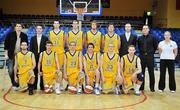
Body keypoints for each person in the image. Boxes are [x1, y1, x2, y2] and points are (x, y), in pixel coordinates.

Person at [4, 23, 28, 90]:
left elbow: (26, 45)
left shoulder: (24, 35)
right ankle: (14, 84)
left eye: (20, 26)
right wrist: (6, 54)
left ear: (21, 28)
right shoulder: (10, 35)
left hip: (20, 55)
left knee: (19, 70)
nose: (18, 27)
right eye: (17, 26)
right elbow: (6, 45)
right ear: (15, 27)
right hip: (11, 55)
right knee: (11, 70)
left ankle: (20, 83)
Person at [137, 25, 158, 92]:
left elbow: (155, 47)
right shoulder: (139, 38)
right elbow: (139, 47)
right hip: (142, 56)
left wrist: (150, 53)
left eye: (146, 28)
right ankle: (141, 87)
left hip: (150, 57)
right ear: (142, 30)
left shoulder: (153, 37)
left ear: (148, 30)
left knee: (151, 72)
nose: (145, 30)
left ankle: (152, 87)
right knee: (141, 72)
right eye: (144, 29)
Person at [30, 25, 49, 90]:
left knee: (42, 71)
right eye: (37, 28)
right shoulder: (32, 38)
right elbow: (31, 48)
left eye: (40, 28)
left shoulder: (45, 38)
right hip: (34, 56)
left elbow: (46, 48)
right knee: (34, 71)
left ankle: (42, 86)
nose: (39, 30)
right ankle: (34, 86)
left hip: (42, 56)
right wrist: (31, 57)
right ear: (36, 30)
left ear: (42, 30)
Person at [49, 21, 65, 90]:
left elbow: (64, 43)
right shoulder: (50, 32)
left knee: (60, 69)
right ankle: (53, 84)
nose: (56, 24)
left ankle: (60, 84)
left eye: (57, 23)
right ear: (53, 24)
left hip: (60, 53)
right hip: (53, 53)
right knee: (53, 69)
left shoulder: (63, 32)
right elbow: (49, 43)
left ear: (59, 24)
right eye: (55, 23)